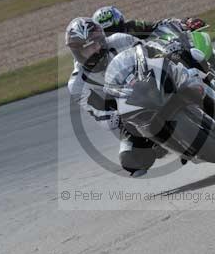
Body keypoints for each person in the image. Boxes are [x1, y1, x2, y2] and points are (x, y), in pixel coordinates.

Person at [65, 17, 162, 177]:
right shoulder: (77, 83)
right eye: (86, 49)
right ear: (77, 53)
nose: (94, 51)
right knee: (130, 161)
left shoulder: (120, 40)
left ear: (102, 40)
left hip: (154, 86)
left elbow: (152, 51)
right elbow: (99, 114)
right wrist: (121, 115)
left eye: (95, 44)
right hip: (131, 116)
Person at [92, 6, 206, 39]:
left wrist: (185, 22)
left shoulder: (133, 26)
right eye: (108, 31)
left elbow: (159, 24)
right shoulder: (102, 49)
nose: (113, 34)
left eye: (114, 28)